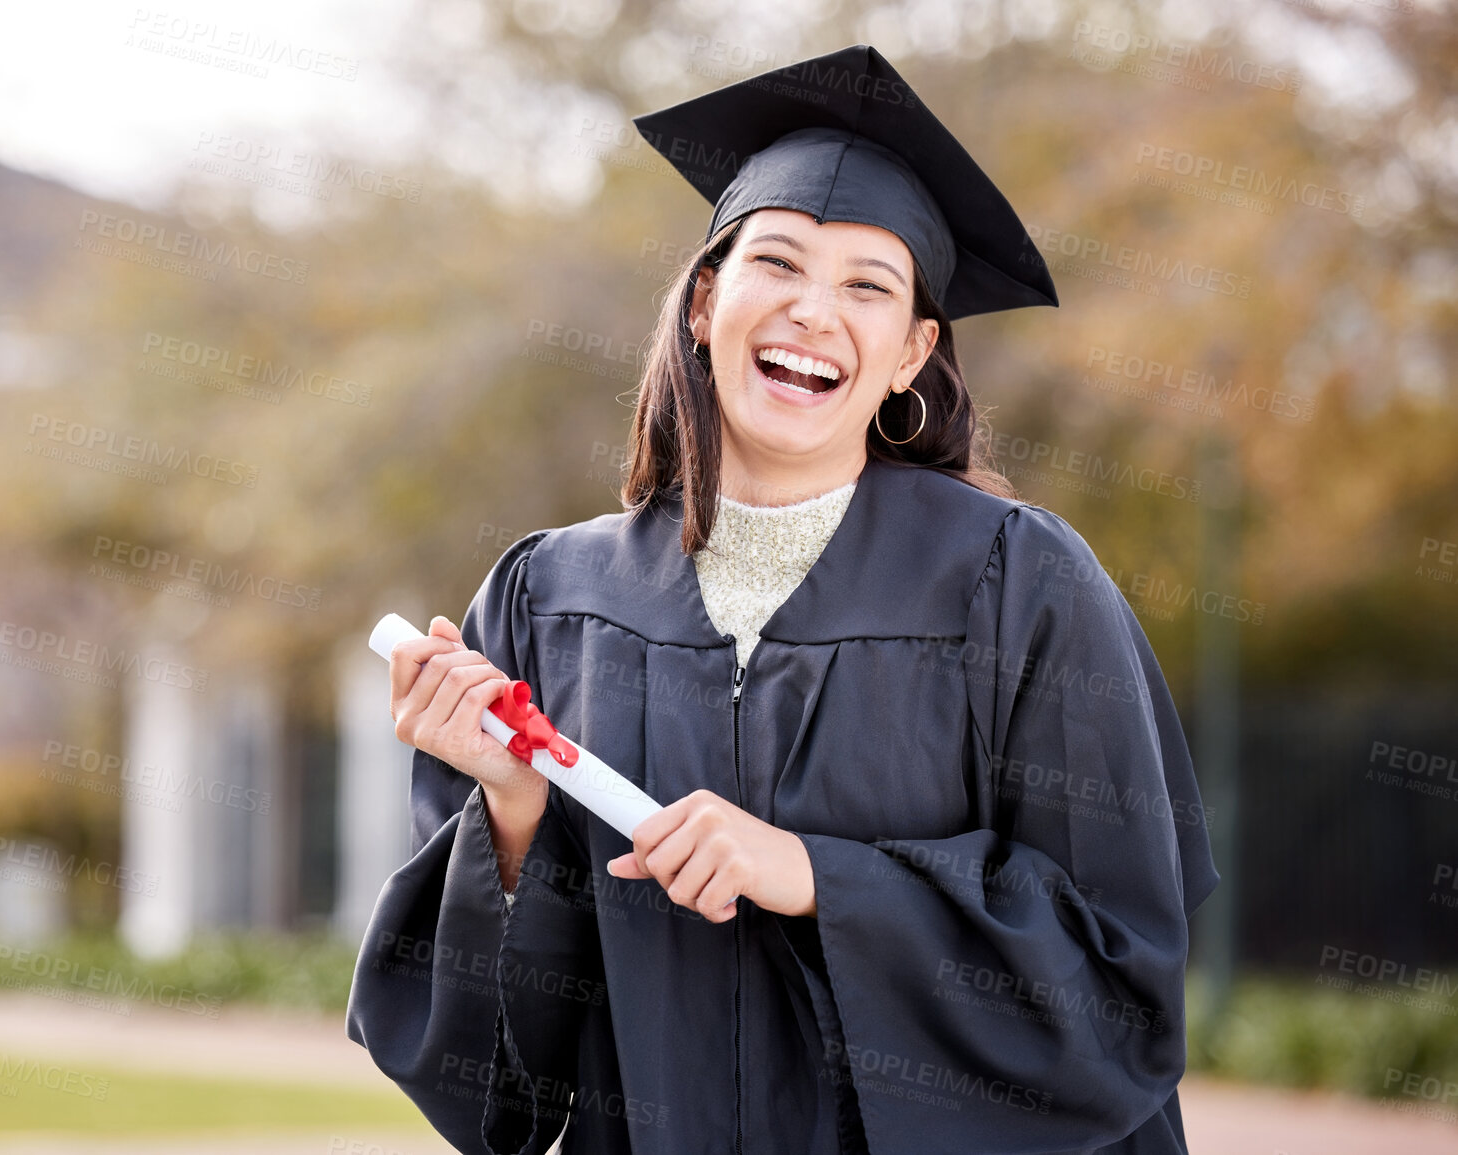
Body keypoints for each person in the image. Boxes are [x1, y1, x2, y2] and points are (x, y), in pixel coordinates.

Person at [347, 44, 1219, 1155]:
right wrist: (512, 813)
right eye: (779, 264)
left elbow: (1115, 987)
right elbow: (502, 1091)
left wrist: (816, 877)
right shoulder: (550, 599)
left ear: (911, 353)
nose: (814, 311)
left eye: (867, 285)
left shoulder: (1018, 582)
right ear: (706, 303)